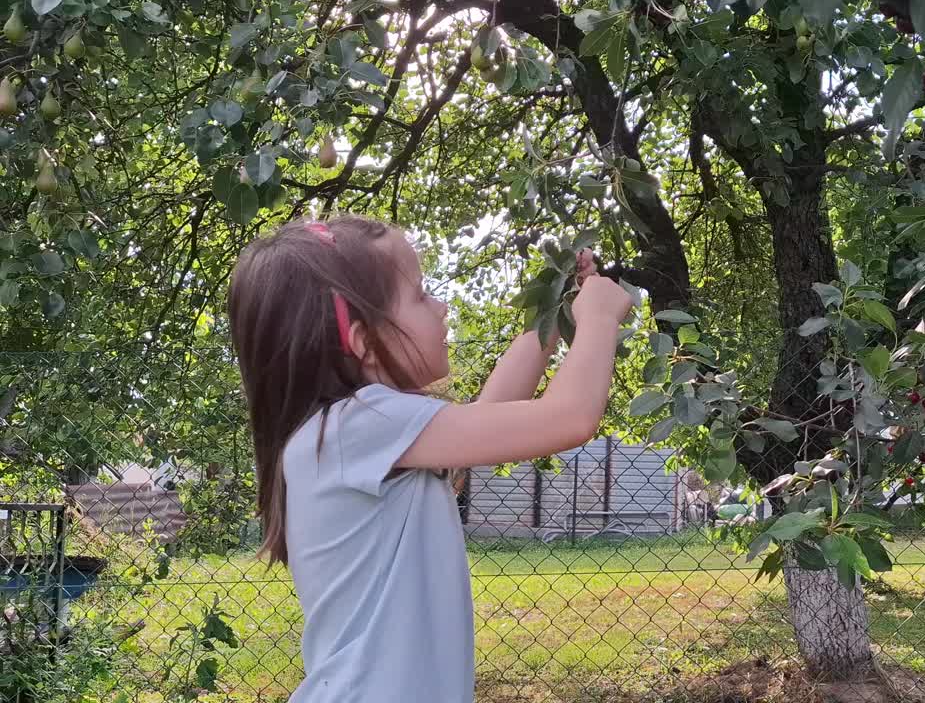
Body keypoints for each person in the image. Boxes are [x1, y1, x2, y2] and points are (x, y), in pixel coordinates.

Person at [227, 214, 634, 703]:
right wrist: (601, 319)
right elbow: (570, 417)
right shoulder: (357, 426)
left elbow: (491, 415)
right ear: (364, 341)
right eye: (420, 295)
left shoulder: (357, 435)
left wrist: (554, 315)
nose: (441, 308)